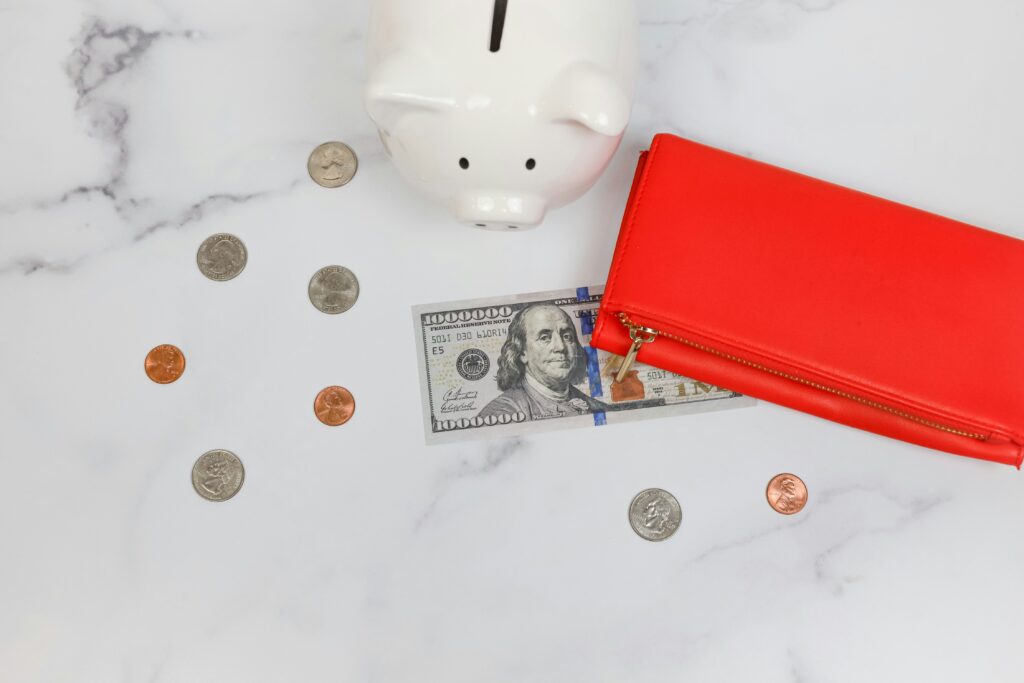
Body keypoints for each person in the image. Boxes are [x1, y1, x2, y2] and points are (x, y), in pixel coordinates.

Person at [478, 304, 607, 420]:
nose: (560, 347)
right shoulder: (499, 415)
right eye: (544, 338)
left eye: (567, 336)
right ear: (522, 352)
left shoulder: (601, 409)